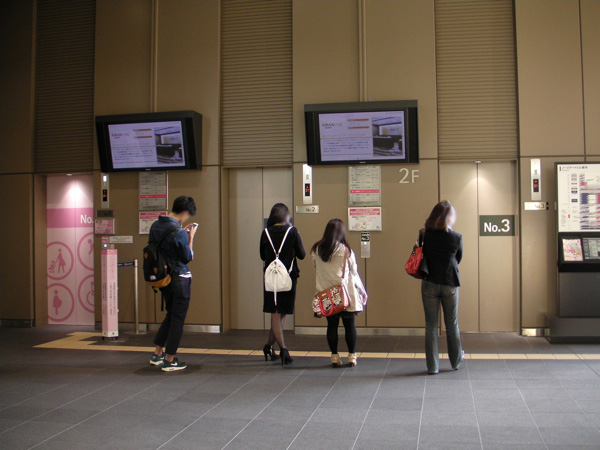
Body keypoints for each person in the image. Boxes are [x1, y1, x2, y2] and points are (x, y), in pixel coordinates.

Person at [149, 196, 197, 372]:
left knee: (170, 315)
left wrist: (181, 234)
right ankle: (170, 359)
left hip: (164, 278)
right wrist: (190, 237)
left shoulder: (156, 226)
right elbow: (187, 256)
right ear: (185, 212)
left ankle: (157, 353)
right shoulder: (177, 232)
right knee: (177, 318)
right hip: (179, 278)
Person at [312, 219, 363, 368]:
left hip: (326, 294)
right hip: (345, 293)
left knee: (331, 326)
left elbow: (315, 266)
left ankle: (334, 356)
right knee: (349, 325)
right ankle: (352, 356)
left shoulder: (316, 249)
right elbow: (354, 271)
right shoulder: (346, 250)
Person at [421, 200, 464, 375]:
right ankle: (456, 362)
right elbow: (458, 259)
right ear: (448, 217)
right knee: (452, 324)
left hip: (429, 283)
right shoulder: (456, 237)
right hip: (450, 283)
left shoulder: (424, 235)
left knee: (431, 325)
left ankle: (433, 367)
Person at [260, 203, 306, 365]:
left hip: (271, 278)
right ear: (286, 216)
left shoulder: (265, 232)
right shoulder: (292, 232)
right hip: (288, 277)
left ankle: (268, 346)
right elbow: (302, 254)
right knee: (281, 312)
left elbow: (262, 255)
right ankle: (284, 349)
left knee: (276, 312)